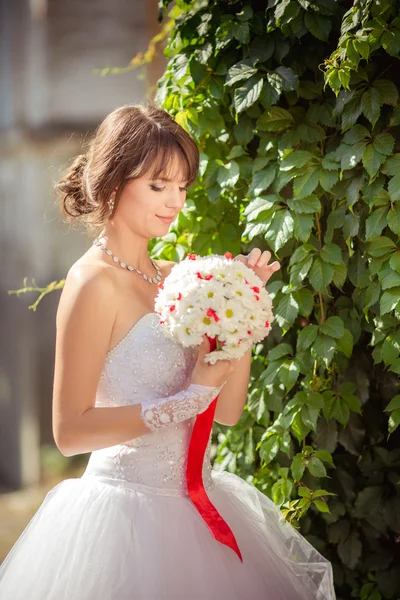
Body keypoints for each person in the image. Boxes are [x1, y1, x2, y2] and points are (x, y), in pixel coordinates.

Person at [0, 103, 336, 599]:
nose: (175, 200)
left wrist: (240, 310)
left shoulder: (176, 277)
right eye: (159, 185)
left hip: (199, 507)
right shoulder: (92, 282)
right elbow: (69, 432)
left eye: (182, 186)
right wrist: (181, 402)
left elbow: (226, 411)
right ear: (113, 182)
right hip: (122, 520)